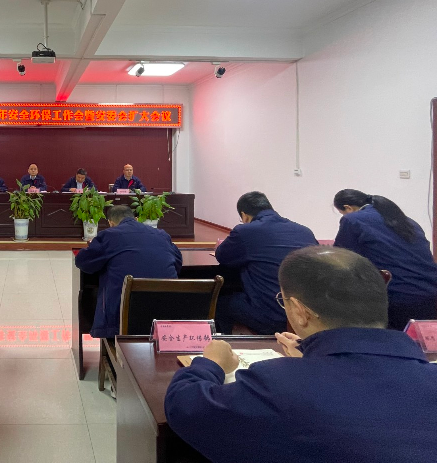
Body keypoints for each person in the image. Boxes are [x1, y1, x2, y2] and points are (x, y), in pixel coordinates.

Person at [165, 246, 437, 463]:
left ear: (299, 311)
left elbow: (184, 406)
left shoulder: (278, 384)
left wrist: (211, 362)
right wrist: (315, 356)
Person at [214, 191, 318, 335]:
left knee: (221, 303)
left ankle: (230, 343)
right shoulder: (305, 231)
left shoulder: (245, 231)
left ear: (244, 216)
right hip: (305, 316)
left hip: (271, 316)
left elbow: (222, 256)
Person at [333, 189, 437, 329]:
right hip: (431, 293)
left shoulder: (352, 219)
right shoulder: (409, 222)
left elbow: (341, 259)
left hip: (397, 297)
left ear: (348, 208)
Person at [75, 205, 182, 338]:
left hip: (122, 319)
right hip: (167, 313)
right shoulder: (162, 235)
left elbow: (83, 262)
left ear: (110, 223)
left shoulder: (109, 235)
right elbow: (178, 263)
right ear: (135, 219)